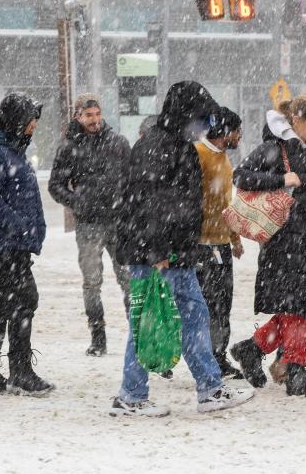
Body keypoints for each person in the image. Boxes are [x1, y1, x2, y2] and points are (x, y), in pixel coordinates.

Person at [110, 81, 254, 417]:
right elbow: (149, 203)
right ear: (185, 115)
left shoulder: (179, 146)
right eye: (201, 119)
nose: (205, 127)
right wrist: (158, 250)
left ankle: (210, 387)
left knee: (194, 317)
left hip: (178, 254)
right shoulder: (157, 147)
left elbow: (178, 204)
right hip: (157, 255)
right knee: (149, 322)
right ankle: (131, 395)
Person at [230, 94, 306, 397]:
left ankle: (253, 348)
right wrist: (280, 179)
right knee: (299, 308)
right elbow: (241, 176)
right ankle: (296, 372)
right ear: (296, 120)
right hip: (284, 242)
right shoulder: (274, 148)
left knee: (298, 308)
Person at [0, 92, 54, 395]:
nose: (34, 125)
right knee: (17, 302)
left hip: (14, 244)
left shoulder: (13, 149)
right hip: (3, 244)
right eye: (31, 120)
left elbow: (24, 197)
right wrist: (20, 227)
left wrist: (36, 228)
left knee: (5, 304)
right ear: (16, 120)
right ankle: (15, 370)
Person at [48, 94, 131, 357]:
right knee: (92, 283)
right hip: (89, 226)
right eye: (88, 115)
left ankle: (139, 335)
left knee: (130, 281)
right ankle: (98, 336)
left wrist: (129, 207)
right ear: (78, 117)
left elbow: (133, 180)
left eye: (97, 114)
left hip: (119, 223)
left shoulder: (118, 142)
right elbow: (55, 186)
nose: (94, 120)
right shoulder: (69, 147)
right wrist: (77, 203)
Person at [195, 106, 244, 379]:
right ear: (225, 132)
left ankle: (219, 356)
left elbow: (226, 204)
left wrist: (234, 238)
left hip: (221, 243)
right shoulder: (199, 155)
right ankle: (208, 358)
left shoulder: (224, 160)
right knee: (209, 304)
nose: (239, 136)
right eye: (237, 131)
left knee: (223, 302)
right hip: (203, 245)